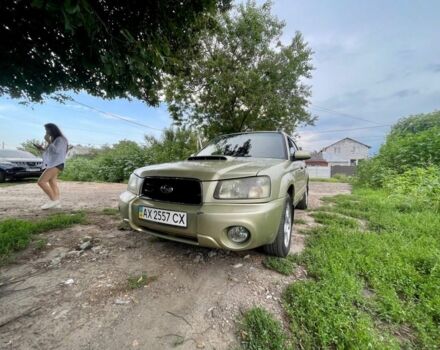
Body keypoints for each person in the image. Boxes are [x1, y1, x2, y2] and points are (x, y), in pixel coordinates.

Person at [34, 123, 68, 210]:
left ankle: (53, 201)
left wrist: (48, 141)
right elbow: (51, 151)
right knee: (52, 182)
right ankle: (56, 203)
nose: (46, 132)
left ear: (52, 130)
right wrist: (41, 148)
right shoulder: (56, 139)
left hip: (57, 163)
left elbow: (56, 151)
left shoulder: (61, 139)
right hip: (54, 163)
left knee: (41, 182)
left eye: (47, 130)